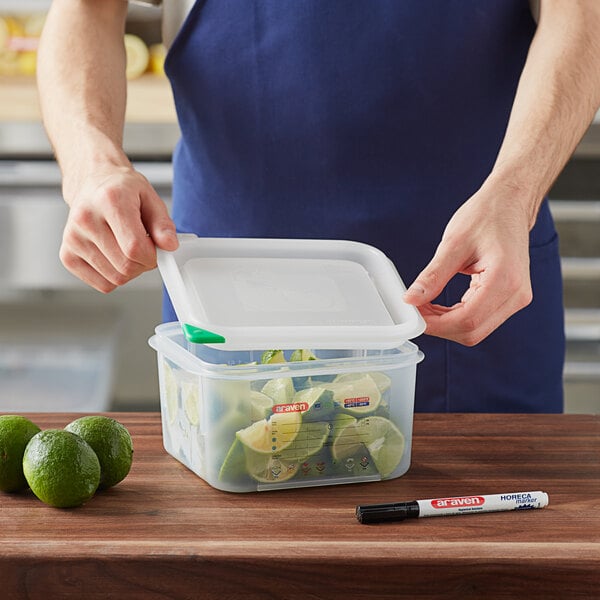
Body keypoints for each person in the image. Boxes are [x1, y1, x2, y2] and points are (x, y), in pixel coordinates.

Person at [37, 1, 600, 412]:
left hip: (466, 291)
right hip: (231, 294)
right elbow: (87, 8)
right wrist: (92, 164)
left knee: (492, 566)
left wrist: (517, 191)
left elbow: (580, 13)